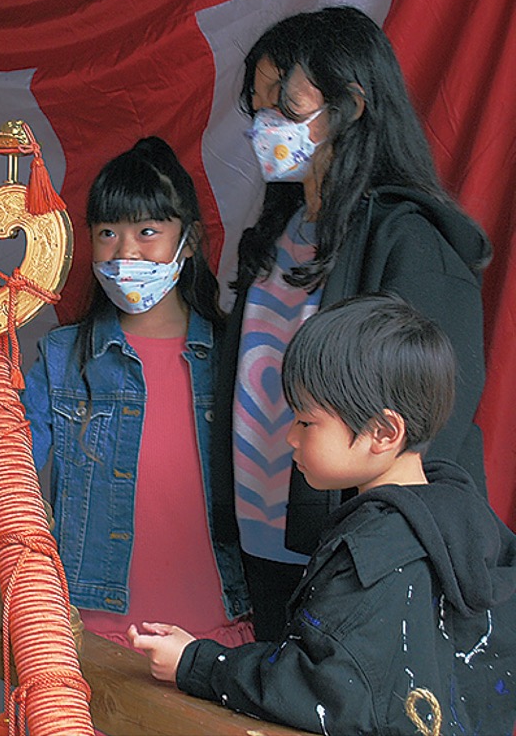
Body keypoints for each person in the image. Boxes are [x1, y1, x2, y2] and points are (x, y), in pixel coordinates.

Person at [213, 5, 492, 641]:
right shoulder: (276, 236)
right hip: (263, 542)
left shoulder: (412, 243)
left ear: (351, 104)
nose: (264, 126)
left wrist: (376, 546)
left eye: (284, 107)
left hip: (357, 555)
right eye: (257, 109)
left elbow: (431, 429)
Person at [129, 294, 516, 736]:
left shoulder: (374, 553)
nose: (291, 437)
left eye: (307, 422)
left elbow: (319, 689)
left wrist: (194, 662)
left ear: (383, 432)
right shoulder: (463, 515)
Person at [0, 136, 252, 648]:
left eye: (148, 232)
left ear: (188, 241)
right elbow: (1, 465)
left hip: (219, 633)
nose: (126, 252)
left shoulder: (232, 355)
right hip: (97, 635)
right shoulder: (64, 359)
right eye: (108, 233)